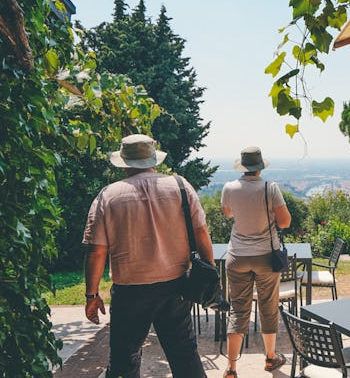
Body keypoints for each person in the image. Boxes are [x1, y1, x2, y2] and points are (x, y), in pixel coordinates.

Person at [83, 134, 212, 378]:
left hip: (130, 292)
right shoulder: (180, 186)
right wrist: (209, 274)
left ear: (124, 162)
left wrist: (92, 295)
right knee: (184, 355)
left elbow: (96, 250)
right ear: (154, 159)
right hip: (175, 287)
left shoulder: (107, 196)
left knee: (124, 360)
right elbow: (201, 233)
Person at [220, 147, 291, 378]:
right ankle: (270, 358)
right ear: (260, 167)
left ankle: (231, 368)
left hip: (237, 256)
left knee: (238, 311)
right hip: (265, 257)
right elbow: (285, 222)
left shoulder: (229, 188)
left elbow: (228, 214)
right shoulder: (270, 188)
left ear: (242, 167)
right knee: (268, 308)